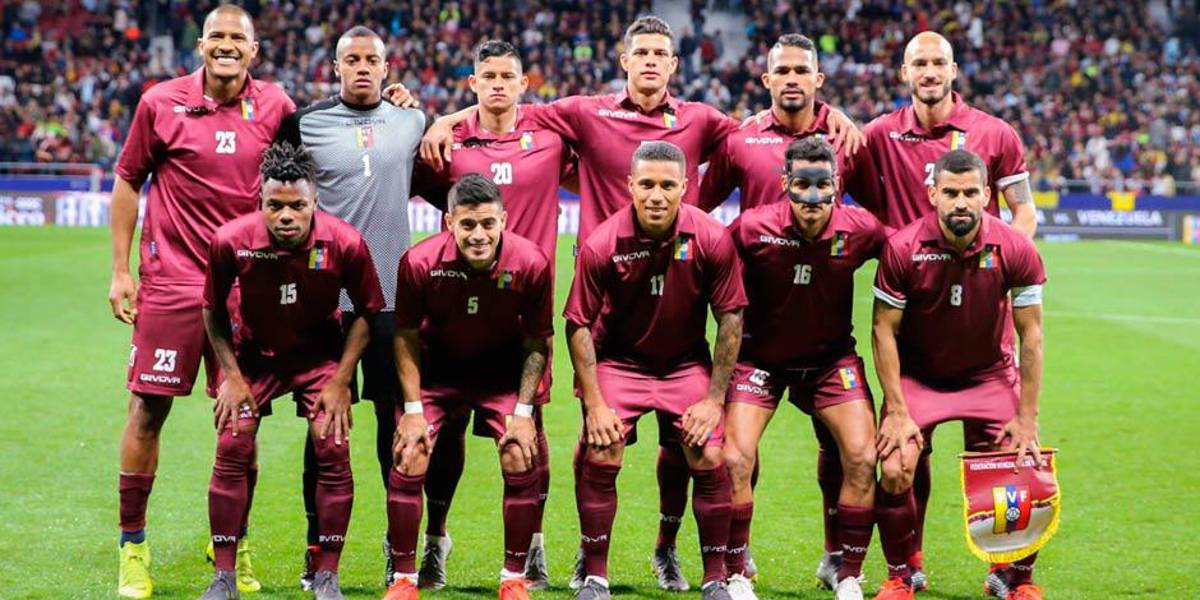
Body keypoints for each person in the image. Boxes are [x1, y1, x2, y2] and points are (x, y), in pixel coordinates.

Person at [414, 18, 860, 589]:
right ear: (624, 61)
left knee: (686, 441)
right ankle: (585, 556)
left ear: (674, 64)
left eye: (660, 53)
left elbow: (764, 129)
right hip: (604, 301)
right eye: (641, 52)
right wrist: (448, 119)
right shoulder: (587, 112)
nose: (650, 61)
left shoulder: (701, 119)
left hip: (674, 291)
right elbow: (505, 105)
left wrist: (832, 114)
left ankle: (669, 547)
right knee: (595, 439)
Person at [109, 5, 294, 597]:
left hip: (245, 289)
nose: (226, 45)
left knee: (243, 419)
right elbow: (128, 179)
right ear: (201, 44)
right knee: (147, 410)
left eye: (238, 37)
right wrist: (121, 271)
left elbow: (298, 185)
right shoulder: (160, 103)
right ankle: (133, 547)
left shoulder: (277, 106)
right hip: (172, 285)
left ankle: (233, 545)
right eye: (217, 35)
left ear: (254, 50)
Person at [696, 33, 882, 589]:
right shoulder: (742, 141)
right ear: (767, 79)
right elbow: (698, 216)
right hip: (758, 339)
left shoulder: (847, 141)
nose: (793, 79)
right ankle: (736, 564)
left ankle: (841, 563)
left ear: (818, 79)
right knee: (737, 458)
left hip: (828, 343)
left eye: (804, 70)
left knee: (851, 453)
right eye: (784, 71)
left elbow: (890, 232)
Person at [860, 32, 1039, 588]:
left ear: (954, 69)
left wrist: (1000, 260)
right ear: (904, 72)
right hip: (915, 338)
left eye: (939, 62)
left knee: (1009, 461)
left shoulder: (996, 133)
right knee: (899, 457)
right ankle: (905, 568)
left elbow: (1024, 211)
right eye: (920, 62)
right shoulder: (879, 135)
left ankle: (1010, 574)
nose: (930, 71)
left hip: (985, 347)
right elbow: (830, 166)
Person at [273, 24, 442, 590]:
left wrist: (433, 114)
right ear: (337, 67)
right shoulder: (304, 124)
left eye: (373, 60)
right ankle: (316, 548)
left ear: (387, 68)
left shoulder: (411, 120)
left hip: (393, 301)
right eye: (353, 60)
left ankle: (401, 553)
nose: (363, 67)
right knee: (324, 427)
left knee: (396, 426)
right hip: (330, 303)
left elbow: (446, 138)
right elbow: (277, 194)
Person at [412, 39, 571, 591]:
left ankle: (533, 549)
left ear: (524, 84)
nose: (498, 84)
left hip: (524, 312)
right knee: (447, 428)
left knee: (531, 430)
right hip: (455, 307)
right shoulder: (448, 144)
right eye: (488, 76)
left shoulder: (550, 136)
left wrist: (446, 115)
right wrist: (439, 121)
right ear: (473, 83)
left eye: (508, 76)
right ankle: (435, 542)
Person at [199, 141, 385, 600]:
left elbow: (368, 312)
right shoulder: (231, 241)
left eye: (297, 206)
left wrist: (342, 380)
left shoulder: (344, 242)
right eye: (275, 206)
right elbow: (212, 310)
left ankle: (327, 574)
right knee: (233, 443)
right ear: (260, 201)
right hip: (252, 358)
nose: (286, 216)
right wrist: (231, 376)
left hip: (319, 360)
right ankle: (223, 576)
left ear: (314, 201)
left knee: (332, 445)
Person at [563, 141, 747, 600]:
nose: (657, 195)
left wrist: (714, 400)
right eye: (646, 184)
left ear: (685, 186)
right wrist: (595, 403)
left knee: (709, 455)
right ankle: (595, 575)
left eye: (668, 185)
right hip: (620, 362)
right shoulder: (603, 242)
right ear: (630, 186)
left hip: (684, 364)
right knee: (601, 448)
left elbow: (730, 318)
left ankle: (715, 579)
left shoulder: (710, 238)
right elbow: (578, 324)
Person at [723, 137, 887, 600]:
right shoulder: (751, 229)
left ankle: (846, 572)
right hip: (761, 361)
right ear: (785, 184)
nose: (812, 197)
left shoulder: (861, 229)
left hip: (831, 362)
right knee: (735, 458)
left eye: (822, 185)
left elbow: (908, 258)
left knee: (862, 456)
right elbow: (709, 269)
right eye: (802, 185)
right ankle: (736, 571)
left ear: (837, 185)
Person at [383, 174, 554, 600]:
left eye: (488, 224)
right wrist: (412, 409)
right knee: (409, 452)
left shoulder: (531, 262)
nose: (479, 235)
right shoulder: (419, 263)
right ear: (449, 223)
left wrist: (523, 413)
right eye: (468, 225)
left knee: (519, 452)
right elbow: (404, 336)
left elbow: (537, 343)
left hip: (500, 376)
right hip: (437, 376)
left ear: (504, 221)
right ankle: (404, 580)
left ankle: (512, 579)